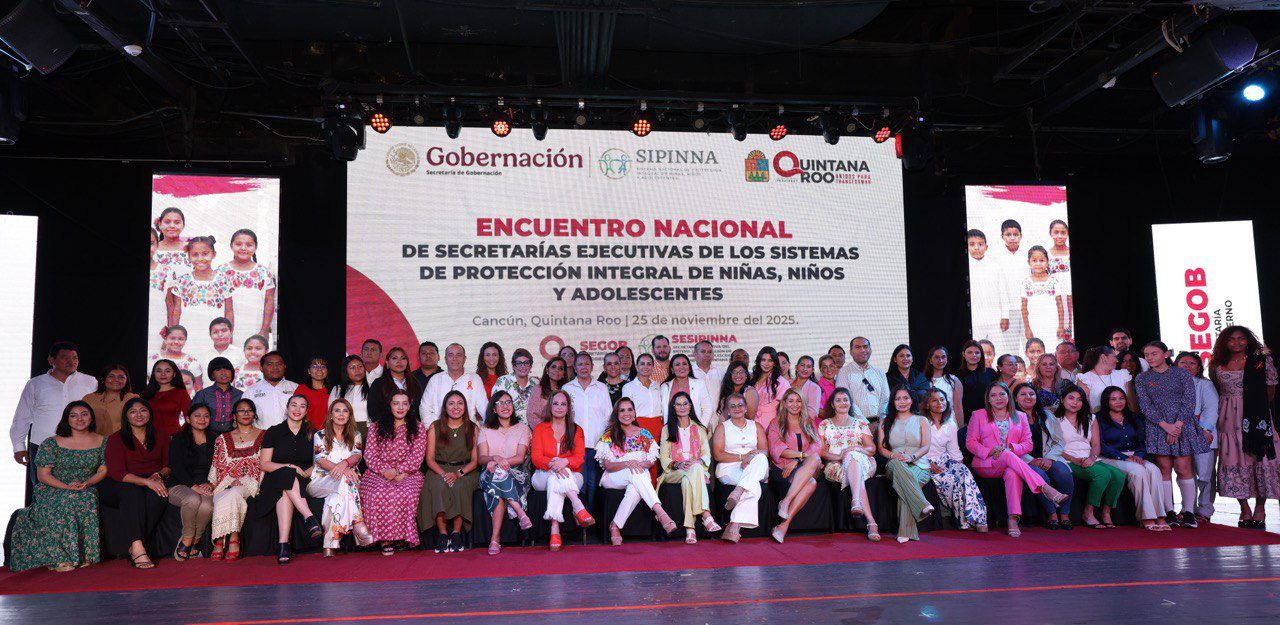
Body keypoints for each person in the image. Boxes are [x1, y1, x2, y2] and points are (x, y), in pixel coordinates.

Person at [8, 401, 107, 572]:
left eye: (84, 414)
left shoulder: (103, 441)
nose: (79, 419)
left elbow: (103, 469)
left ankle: (83, 555)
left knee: (86, 498)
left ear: (91, 417)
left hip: (85, 485)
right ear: (66, 419)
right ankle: (60, 557)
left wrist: (87, 483)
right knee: (67, 499)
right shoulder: (51, 443)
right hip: (54, 487)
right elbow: (43, 475)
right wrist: (67, 487)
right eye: (73, 415)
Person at [966, 382, 1067, 537]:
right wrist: (989, 451)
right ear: (988, 399)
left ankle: (1013, 519)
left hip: (1010, 463)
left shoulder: (1020, 416)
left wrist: (1011, 449)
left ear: (1008, 397)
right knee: (1008, 456)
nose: (998, 398)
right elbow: (970, 443)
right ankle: (1045, 487)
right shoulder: (978, 415)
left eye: (1002, 394)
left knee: (1013, 472)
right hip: (987, 463)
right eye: (993, 395)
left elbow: (1028, 444)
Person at [1208, 326, 1280, 529]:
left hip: (1257, 415)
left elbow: (1270, 391)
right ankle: (1244, 508)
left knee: (1260, 457)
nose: (1237, 343)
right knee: (1235, 456)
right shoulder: (1217, 364)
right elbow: (1217, 389)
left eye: (1241, 338)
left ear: (1248, 340)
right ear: (1224, 343)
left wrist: (1256, 409)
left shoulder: (1260, 361)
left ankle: (1260, 508)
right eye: (1231, 339)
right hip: (1228, 417)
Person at [12, 342, 100, 502]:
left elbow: (97, 414)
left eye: (75, 358)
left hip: (79, 447)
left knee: (78, 493)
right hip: (41, 445)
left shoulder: (90, 382)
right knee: (42, 493)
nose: (71, 361)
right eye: (65, 357)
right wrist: (19, 446)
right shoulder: (35, 384)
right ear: (51, 360)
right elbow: (22, 416)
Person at [1137, 341, 1208, 528]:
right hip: (1157, 427)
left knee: (1183, 467)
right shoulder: (1142, 378)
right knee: (1164, 469)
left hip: (1182, 425)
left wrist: (1177, 426)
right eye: (1147, 354)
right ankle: (1168, 512)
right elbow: (1145, 405)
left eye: (1154, 353)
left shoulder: (1181, 373)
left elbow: (1189, 400)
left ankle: (1188, 512)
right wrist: (1165, 426)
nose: (1150, 357)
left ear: (1166, 354)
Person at [100, 398, 171, 569]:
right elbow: (117, 473)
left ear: (149, 413)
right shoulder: (116, 438)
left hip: (151, 478)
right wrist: (146, 482)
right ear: (126, 416)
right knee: (133, 493)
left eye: (143, 410)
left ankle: (135, 546)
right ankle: (138, 546)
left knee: (159, 496)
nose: (138, 415)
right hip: (120, 482)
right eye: (133, 411)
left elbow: (168, 465)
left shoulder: (161, 435)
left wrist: (158, 475)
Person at [597, 397, 678, 545]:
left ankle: (615, 526)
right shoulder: (609, 435)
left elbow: (650, 461)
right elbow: (608, 466)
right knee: (637, 472)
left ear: (634, 413)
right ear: (616, 414)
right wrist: (627, 463)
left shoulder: (644, 433)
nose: (626, 413)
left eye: (630, 409)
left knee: (635, 487)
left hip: (637, 475)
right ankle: (660, 512)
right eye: (622, 410)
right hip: (613, 477)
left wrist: (640, 464)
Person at [255, 394, 323, 564]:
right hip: (274, 479)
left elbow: (319, 462)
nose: (297, 409)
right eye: (294, 405)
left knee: (286, 487)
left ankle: (283, 544)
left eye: (302, 406)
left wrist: (305, 473)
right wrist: (289, 467)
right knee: (286, 474)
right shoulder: (273, 432)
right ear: (287, 408)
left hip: (304, 479)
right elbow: (264, 464)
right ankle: (309, 517)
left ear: (306, 411)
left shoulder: (314, 433)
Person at [360, 390, 428, 555]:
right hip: (378, 472)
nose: (400, 407)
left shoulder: (418, 427)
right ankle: (385, 540)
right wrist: (385, 471)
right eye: (396, 403)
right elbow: (369, 455)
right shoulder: (376, 427)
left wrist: (398, 471)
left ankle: (402, 539)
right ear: (389, 405)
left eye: (404, 403)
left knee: (405, 492)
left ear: (410, 406)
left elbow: (417, 457)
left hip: (408, 472)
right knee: (378, 492)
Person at [1050, 386, 1126, 529]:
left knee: (1119, 476)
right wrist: (1075, 460)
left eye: (1079, 399)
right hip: (1067, 459)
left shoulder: (1090, 418)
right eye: (1071, 398)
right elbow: (1053, 447)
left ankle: (1106, 512)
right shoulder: (1054, 419)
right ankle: (1088, 513)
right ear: (1062, 399)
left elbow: (1096, 444)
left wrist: (1092, 457)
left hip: (1089, 458)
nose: (1075, 402)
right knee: (1102, 474)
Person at [307, 398, 373, 557]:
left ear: (350, 415)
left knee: (336, 495)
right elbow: (320, 460)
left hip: (348, 483)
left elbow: (357, 455)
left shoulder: (356, 434)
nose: (341, 414)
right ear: (331, 414)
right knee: (344, 480)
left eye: (345, 411)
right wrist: (344, 469)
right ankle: (358, 523)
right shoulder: (320, 435)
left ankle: (330, 543)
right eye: (337, 411)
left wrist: (344, 464)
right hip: (320, 482)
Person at [1097, 386, 1169, 530]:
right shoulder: (1099, 419)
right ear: (1106, 401)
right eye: (1113, 399)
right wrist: (1124, 457)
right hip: (1110, 457)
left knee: (1154, 470)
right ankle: (1146, 518)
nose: (1118, 402)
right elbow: (1101, 445)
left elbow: (1142, 441)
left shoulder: (1134, 417)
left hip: (1134, 456)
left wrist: (1139, 455)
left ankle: (1160, 516)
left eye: (1121, 398)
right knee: (1139, 471)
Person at [531, 390, 594, 551]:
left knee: (556, 479)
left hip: (572, 475)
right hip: (542, 475)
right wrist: (555, 464)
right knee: (554, 476)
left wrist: (564, 462)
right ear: (550, 407)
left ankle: (555, 529)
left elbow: (579, 457)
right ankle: (578, 506)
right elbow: (536, 458)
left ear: (568, 408)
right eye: (556, 403)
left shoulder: (576, 430)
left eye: (563, 404)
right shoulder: (539, 429)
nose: (559, 407)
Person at [818, 388, 880, 541]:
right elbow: (821, 451)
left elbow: (871, 449)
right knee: (856, 470)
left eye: (845, 399)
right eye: (838, 400)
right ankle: (871, 522)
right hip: (835, 464)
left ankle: (856, 501)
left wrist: (855, 449)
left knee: (853, 457)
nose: (842, 403)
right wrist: (839, 456)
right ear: (832, 404)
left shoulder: (860, 423)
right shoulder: (824, 424)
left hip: (864, 461)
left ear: (851, 403)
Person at [422, 390, 480, 553]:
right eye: (451, 403)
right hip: (439, 469)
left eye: (460, 403)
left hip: (464, 470)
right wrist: (444, 474)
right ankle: (442, 534)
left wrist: (457, 474)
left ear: (465, 407)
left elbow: (475, 460)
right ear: (445, 407)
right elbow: (429, 459)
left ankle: (456, 533)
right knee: (439, 485)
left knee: (459, 486)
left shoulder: (473, 428)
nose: (456, 407)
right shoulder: (435, 426)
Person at [921, 388, 987, 532]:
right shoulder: (920, 422)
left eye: (942, 399)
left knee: (964, 473)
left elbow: (954, 450)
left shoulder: (950, 423)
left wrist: (960, 466)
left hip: (945, 460)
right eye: (934, 400)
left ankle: (978, 518)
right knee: (951, 480)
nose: (940, 403)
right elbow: (913, 448)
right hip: (924, 462)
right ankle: (965, 521)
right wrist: (926, 464)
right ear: (927, 404)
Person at [659, 391, 720, 544]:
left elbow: (706, 454)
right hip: (674, 471)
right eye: (678, 404)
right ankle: (706, 515)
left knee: (690, 477)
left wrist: (697, 461)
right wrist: (678, 464)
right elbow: (664, 458)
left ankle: (690, 528)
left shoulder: (699, 428)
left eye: (685, 404)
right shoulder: (667, 429)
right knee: (693, 471)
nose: (682, 407)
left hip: (693, 470)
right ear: (673, 408)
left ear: (690, 406)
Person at [477, 391, 534, 556]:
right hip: (489, 473)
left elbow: (520, 458)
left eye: (508, 402)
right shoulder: (485, 429)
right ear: (494, 409)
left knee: (498, 485)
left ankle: (495, 540)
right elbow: (481, 459)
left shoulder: (522, 428)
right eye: (500, 403)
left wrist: (499, 462)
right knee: (497, 476)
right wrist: (493, 458)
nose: (505, 406)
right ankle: (519, 511)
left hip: (517, 474)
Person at [1012, 383, 1074, 529]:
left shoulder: (1047, 415)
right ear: (1015, 398)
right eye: (1023, 394)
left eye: (1031, 394)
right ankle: (1052, 514)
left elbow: (1059, 441)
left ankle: (1064, 514)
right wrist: (1031, 460)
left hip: (1049, 457)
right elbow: (1011, 446)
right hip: (1024, 460)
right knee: (1040, 477)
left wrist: (1049, 458)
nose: (1028, 397)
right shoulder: (1011, 418)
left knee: (1064, 473)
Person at [208, 398, 264, 561]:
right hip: (227, 481)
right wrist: (229, 480)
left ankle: (226, 538)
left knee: (233, 493)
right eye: (241, 410)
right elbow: (218, 465)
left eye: (249, 410)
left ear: (254, 414)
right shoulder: (222, 438)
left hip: (252, 481)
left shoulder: (264, 435)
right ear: (234, 416)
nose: (246, 413)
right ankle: (228, 537)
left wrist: (244, 479)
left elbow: (263, 463)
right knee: (223, 494)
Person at [878, 388, 935, 543]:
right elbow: (881, 449)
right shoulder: (885, 422)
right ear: (893, 402)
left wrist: (912, 457)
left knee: (905, 485)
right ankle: (922, 504)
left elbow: (926, 446)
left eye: (905, 398)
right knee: (899, 466)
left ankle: (905, 531)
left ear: (912, 400)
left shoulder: (921, 420)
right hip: (894, 464)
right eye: (898, 399)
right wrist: (893, 456)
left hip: (919, 465)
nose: (902, 402)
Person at [711, 393, 769, 543]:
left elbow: (764, 451)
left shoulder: (756, 426)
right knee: (753, 485)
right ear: (728, 410)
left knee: (761, 458)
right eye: (733, 406)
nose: (737, 408)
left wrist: (750, 459)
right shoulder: (722, 427)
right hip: (729, 468)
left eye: (740, 405)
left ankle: (738, 493)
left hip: (755, 466)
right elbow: (718, 455)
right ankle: (735, 525)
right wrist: (743, 457)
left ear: (746, 408)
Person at [766, 389, 822, 543]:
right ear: (784, 403)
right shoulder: (776, 423)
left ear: (802, 404)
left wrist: (797, 460)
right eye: (791, 401)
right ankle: (783, 526)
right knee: (811, 482)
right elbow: (777, 449)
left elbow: (817, 446)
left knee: (815, 458)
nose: (795, 404)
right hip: (783, 468)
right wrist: (801, 456)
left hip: (804, 467)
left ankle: (785, 502)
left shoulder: (808, 422)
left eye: (798, 401)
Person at [164, 236, 233, 360]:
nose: (200, 258)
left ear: (214, 254)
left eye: (205, 254)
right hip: (189, 335)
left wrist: (229, 337)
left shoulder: (223, 280)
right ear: (189, 257)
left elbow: (229, 311)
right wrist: (174, 336)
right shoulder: (182, 281)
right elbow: (177, 312)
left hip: (215, 337)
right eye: (195, 255)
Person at [165, 403, 214, 560]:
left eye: (206, 416)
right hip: (180, 483)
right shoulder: (179, 439)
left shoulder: (216, 439)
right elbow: (176, 467)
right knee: (193, 499)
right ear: (188, 419)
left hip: (206, 484)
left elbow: (220, 466)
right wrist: (194, 487)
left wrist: (211, 483)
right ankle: (187, 539)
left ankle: (196, 540)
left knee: (207, 505)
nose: (202, 419)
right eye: (197, 416)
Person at [562, 352, 611, 510]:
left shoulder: (601, 388)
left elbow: (608, 417)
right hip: (574, 445)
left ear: (592, 366)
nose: (584, 367)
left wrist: (604, 443)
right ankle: (579, 516)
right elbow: (563, 417)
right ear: (575, 368)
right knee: (578, 483)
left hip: (597, 444)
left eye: (587, 364)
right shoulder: (567, 388)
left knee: (594, 483)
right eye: (580, 364)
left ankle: (591, 518)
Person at [1175, 351, 1220, 522]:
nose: (1187, 366)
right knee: (1185, 473)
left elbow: (1211, 409)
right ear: (1175, 365)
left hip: (1203, 433)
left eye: (1192, 363)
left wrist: (1205, 430)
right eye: (1183, 363)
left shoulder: (1205, 384)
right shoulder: (1171, 385)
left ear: (1199, 367)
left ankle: (1205, 509)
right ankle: (1188, 508)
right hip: (1180, 433)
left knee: (1205, 474)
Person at [215, 229, 276, 344]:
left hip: (256, 329)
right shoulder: (221, 271)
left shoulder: (264, 272)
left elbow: (269, 302)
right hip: (227, 333)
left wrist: (264, 330)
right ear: (231, 246)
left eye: (249, 245)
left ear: (256, 247)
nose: (243, 248)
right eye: (238, 244)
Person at [623, 353, 666, 482]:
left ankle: (654, 492)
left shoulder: (658, 386)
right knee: (640, 461)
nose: (645, 367)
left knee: (655, 462)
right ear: (636, 366)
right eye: (642, 364)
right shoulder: (628, 387)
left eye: (649, 364)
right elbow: (626, 411)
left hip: (658, 427)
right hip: (638, 427)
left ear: (653, 367)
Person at [420, 343, 486, 425]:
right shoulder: (435, 379)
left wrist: (489, 428)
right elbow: (424, 408)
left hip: (469, 429)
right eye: (450, 355)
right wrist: (434, 428)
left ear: (464, 359)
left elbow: (484, 408)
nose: (455, 358)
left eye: (459, 355)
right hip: (440, 429)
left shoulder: (474, 379)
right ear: (445, 359)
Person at [967, 229, 1010, 345]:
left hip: (995, 319)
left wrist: (1005, 316)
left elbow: (1003, 292)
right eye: (972, 244)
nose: (976, 248)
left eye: (980, 244)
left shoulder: (995, 267)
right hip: (974, 320)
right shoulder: (966, 267)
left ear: (986, 247)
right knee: (975, 349)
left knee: (998, 349)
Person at [993, 219, 1028, 357]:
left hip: (1027, 309)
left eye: (1015, 234)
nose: (1012, 238)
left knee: (1030, 344)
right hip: (1009, 311)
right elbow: (999, 288)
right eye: (1008, 234)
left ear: (1021, 235)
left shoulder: (1027, 255)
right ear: (1002, 236)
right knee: (1010, 348)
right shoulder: (996, 258)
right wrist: (1004, 315)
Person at [369, 347, 423, 427]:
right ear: (387, 363)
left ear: (407, 363)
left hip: (412, 428)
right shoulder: (378, 384)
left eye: (403, 358)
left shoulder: (415, 383)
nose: (399, 361)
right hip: (386, 429)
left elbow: (420, 409)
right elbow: (373, 411)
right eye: (394, 358)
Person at [661, 354, 717, 431]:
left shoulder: (699, 383)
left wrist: (700, 428)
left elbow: (708, 408)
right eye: (677, 365)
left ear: (689, 368)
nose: (682, 367)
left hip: (695, 430)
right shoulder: (665, 387)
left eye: (684, 364)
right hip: (671, 430)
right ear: (672, 369)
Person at [243, 352, 299, 429]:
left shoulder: (296, 388)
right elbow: (243, 416)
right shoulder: (251, 391)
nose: (275, 367)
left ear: (284, 366)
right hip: (261, 434)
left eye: (279, 364)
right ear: (261, 368)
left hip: (291, 434)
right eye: (270, 364)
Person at [1076, 346, 1137, 413]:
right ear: (1103, 357)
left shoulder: (1123, 374)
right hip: (1098, 418)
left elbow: (1132, 403)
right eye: (1114, 357)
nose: (1117, 360)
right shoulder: (1085, 379)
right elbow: (1084, 408)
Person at [83, 364, 139, 436]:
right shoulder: (88, 398)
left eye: (121, 377)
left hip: (119, 441)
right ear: (103, 379)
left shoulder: (131, 399)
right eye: (111, 376)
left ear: (126, 381)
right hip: (92, 441)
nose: (116, 380)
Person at [192, 357, 242, 435]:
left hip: (234, 436)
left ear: (232, 372)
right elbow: (193, 418)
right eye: (218, 370)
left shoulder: (240, 395)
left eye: (227, 369)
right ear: (212, 374)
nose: (223, 373)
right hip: (207, 436)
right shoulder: (203, 394)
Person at [141, 359, 190, 438]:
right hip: (148, 437)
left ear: (174, 374)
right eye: (159, 371)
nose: (163, 374)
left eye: (167, 371)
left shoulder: (181, 393)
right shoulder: (146, 393)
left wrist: (179, 436)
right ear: (153, 373)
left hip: (172, 437)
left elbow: (190, 418)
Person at [492, 348, 539, 424]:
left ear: (530, 365)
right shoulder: (503, 381)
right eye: (519, 363)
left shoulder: (536, 383)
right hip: (509, 428)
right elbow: (494, 406)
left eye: (526, 363)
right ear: (513, 366)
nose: (523, 366)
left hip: (533, 428)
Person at [331, 355, 371, 439]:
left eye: (360, 366)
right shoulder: (338, 389)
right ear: (346, 371)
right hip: (344, 430)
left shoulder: (372, 387)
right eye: (352, 367)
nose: (357, 370)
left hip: (368, 430)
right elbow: (331, 413)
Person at [923, 346, 964, 426]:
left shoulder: (954, 381)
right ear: (930, 360)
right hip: (929, 423)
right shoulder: (923, 381)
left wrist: (961, 428)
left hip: (950, 423)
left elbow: (958, 407)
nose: (940, 360)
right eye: (937, 357)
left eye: (943, 357)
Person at [751, 347, 791, 430]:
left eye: (770, 360)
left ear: (774, 363)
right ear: (759, 361)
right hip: (750, 421)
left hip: (770, 424)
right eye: (763, 360)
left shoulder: (782, 382)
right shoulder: (752, 378)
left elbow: (786, 408)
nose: (766, 364)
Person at [956, 340, 997, 420]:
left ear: (981, 354)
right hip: (966, 418)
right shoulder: (957, 375)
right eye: (970, 352)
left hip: (988, 417)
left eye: (977, 352)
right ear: (963, 354)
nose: (973, 355)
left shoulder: (991, 373)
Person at [525, 357, 566, 428]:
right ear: (547, 369)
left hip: (563, 431)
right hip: (543, 431)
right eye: (553, 367)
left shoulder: (566, 390)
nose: (557, 370)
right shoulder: (538, 389)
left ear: (564, 373)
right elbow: (532, 415)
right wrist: (545, 431)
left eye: (561, 368)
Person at [296, 357, 331, 429]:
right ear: (309, 371)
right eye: (315, 366)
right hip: (307, 431)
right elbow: (295, 412)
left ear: (327, 370)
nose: (319, 369)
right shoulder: (302, 389)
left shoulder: (334, 390)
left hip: (329, 432)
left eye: (323, 366)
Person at [789, 356, 824, 421]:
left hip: (803, 424)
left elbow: (813, 413)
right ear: (796, 367)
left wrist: (793, 420)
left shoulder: (815, 388)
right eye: (802, 365)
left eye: (808, 366)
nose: (805, 369)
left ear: (812, 370)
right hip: (784, 422)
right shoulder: (787, 383)